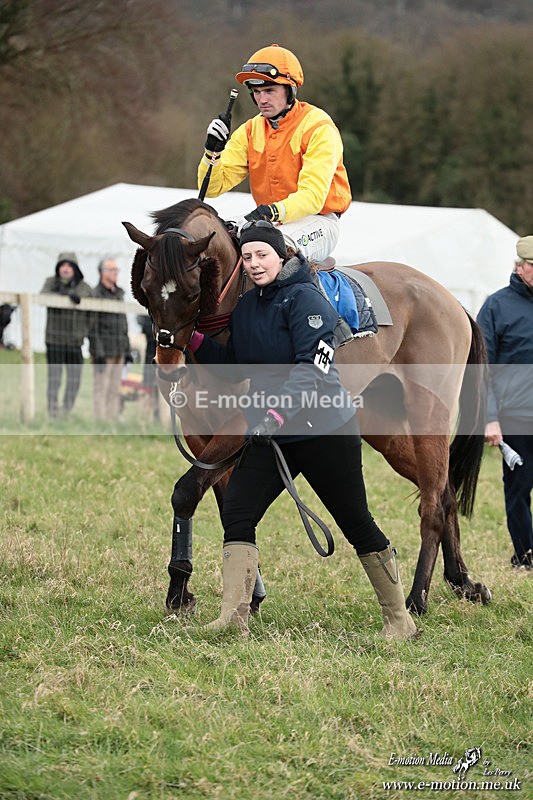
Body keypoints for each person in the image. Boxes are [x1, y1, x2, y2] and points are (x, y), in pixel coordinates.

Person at [186, 220, 418, 639]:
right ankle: (233, 617)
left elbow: (311, 370)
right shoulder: (247, 307)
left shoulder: (308, 300)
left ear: (282, 256)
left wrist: (274, 415)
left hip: (323, 430)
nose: (255, 263)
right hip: (273, 432)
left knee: (356, 522)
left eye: (262, 255)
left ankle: (399, 620)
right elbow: (235, 365)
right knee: (237, 511)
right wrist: (194, 342)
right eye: (248, 256)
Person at [198, 43, 352, 263]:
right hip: (270, 220)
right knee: (214, 241)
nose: (262, 100)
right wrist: (212, 152)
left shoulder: (318, 127)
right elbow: (213, 188)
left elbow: (313, 197)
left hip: (319, 222)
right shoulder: (250, 130)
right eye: (257, 92)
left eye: (270, 91)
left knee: (270, 251)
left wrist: (270, 212)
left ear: (290, 90)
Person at [476, 235, 533, 570]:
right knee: (519, 490)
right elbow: (481, 369)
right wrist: (489, 417)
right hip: (516, 418)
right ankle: (526, 556)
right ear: (519, 266)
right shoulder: (496, 307)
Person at [41, 252, 92, 418]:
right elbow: (42, 297)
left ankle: (66, 411)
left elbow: (92, 313)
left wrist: (83, 331)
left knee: (74, 379)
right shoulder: (50, 283)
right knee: (54, 378)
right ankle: (53, 412)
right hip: (54, 340)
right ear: (58, 268)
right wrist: (62, 294)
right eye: (62, 265)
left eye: (69, 265)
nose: (65, 268)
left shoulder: (84, 288)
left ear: (75, 268)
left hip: (75, 342)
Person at [89, 258, 131, 420]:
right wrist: (97, 352)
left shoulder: (119, 294)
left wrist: (127, 350)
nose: (115, 273)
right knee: (101, 387)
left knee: (114, 388)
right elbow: (93, 327)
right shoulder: (95, 295)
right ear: (102, 272)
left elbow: (124, 324)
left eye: (116, 270)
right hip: (104, 351)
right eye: (112, 270)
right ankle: (99, 421)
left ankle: (111, 419)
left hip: (119, 349)